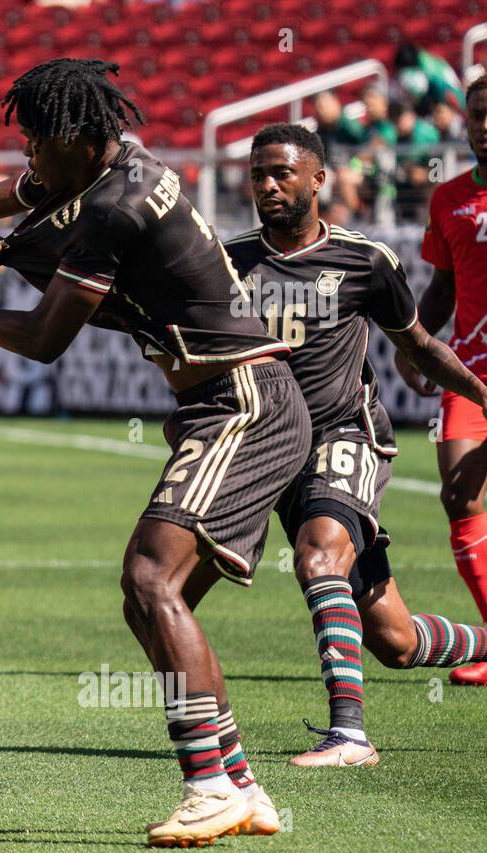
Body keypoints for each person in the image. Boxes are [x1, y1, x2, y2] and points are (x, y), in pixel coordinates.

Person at [0, 58, 312, 847]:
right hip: (231, 401)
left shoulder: (116, 206)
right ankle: (237, 782)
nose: (28, 157)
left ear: (75, 136)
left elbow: (42, 339)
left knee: (149, 580)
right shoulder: (99, 174)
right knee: (151, 596)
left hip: (241, 400)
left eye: (36, 140)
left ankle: (211, 785)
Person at [219, 124, 487, 764]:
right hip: (271, 446)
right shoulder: (228, 261)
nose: (267, 185)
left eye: (282, 172)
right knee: (395, 642)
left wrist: (482, 395)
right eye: (259, 174)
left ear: (319, 179)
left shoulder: (364, 260)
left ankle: (349, 736)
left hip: (346, 434)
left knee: (318, 559)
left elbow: (418, 344)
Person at [395, 75, 487, 685]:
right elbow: (445, 286)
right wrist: (414, 343)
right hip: (472, 373)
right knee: (459, 495)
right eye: (477, 114)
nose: (484, 124)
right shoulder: (449, 196)